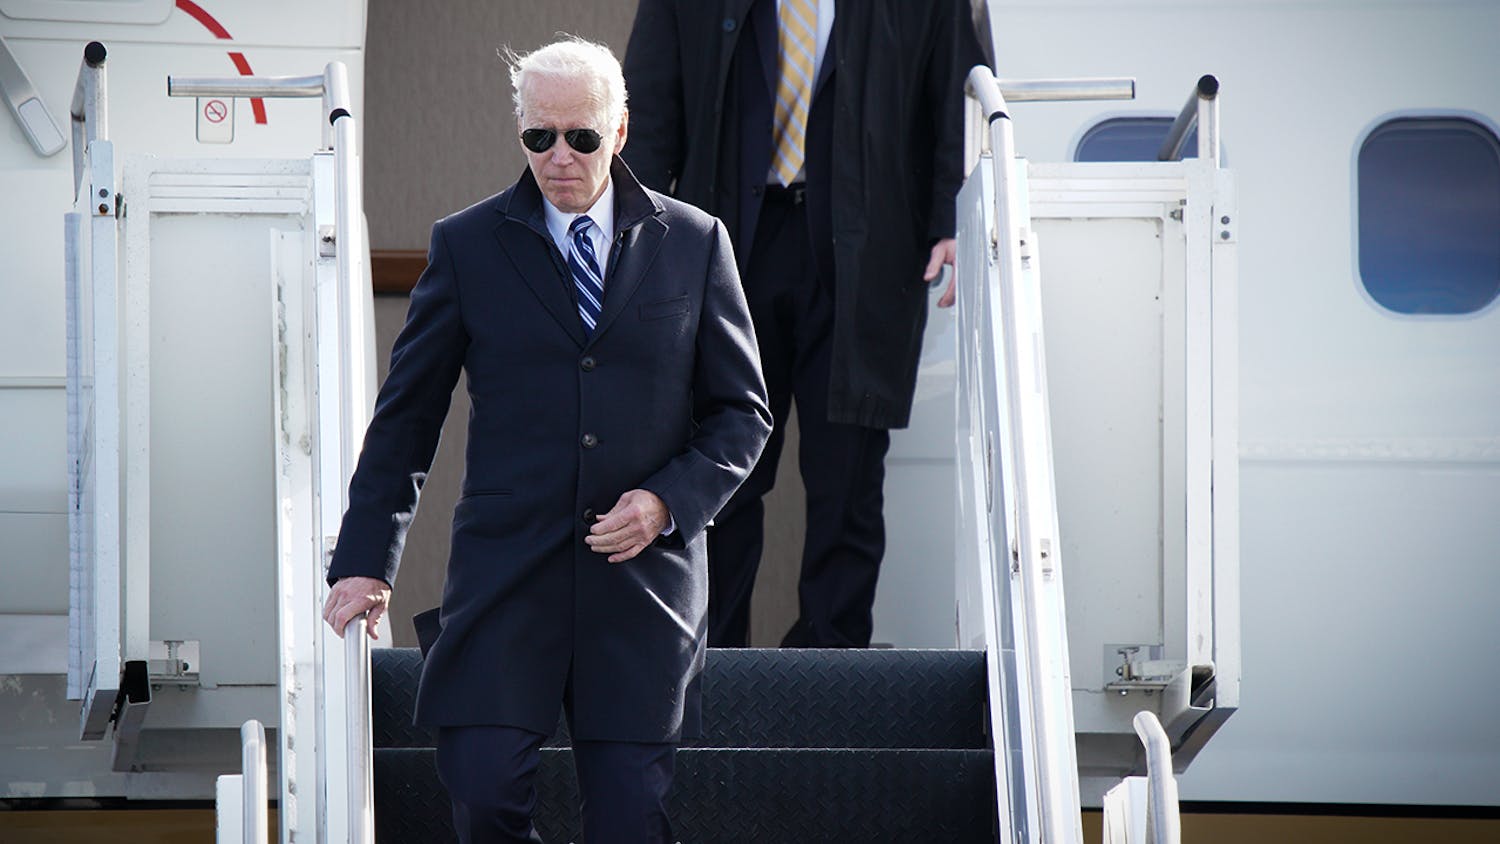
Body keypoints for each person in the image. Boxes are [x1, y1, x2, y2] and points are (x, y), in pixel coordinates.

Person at [320, 37, 771, 844]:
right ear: (521, 129)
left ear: (621, 131)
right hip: (505, 579)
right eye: (539, 137)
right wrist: (363, 562)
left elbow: (743, 416)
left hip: (641, 589)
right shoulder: (466, 244)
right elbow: (407, 415)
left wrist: (669, 501)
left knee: (631, 821)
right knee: (485, 798)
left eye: (582, 137)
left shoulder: (696, 243)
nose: (559, 157)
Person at [622, 0, 985, 648]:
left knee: (847, 476)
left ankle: (832, 662)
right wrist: (638, 239)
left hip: (863, 254)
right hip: (726, 249)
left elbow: (956, 96)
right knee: (718, 463)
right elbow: (649, 111)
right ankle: (708, 661)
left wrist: (948, 219)